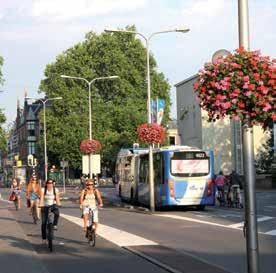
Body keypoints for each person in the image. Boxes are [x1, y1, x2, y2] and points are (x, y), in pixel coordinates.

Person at [39, 178, 61, 243]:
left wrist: (59, 203)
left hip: (53, 205)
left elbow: (57, 198)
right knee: (43, 223)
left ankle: (54, 224)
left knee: (57, 213)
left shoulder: (55, 190)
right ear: (46, 184)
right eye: (48, 183)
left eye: (51, 183)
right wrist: (41, 204)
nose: (50, 184)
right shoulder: (43, 190)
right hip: (45, 206)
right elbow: (42, 198)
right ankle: (44, 238)